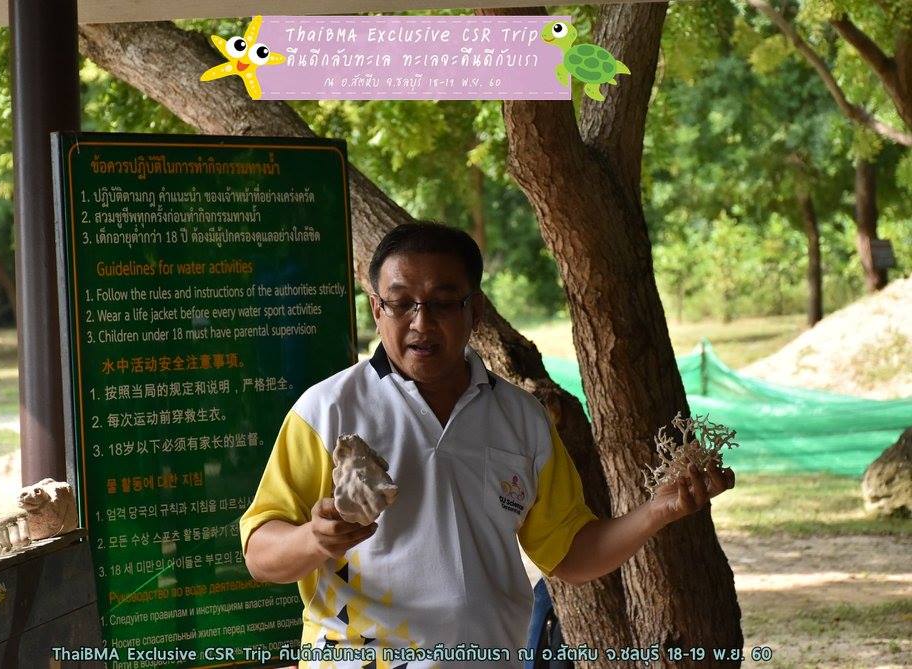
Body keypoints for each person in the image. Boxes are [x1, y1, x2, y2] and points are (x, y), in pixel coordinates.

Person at [240, 222, 735, 668]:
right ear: (376, 309)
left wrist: (658, 511)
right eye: (401, 303)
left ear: (474, 309)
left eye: (441, 302)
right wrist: (315, 538)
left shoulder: (521, 419)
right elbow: (260, 553)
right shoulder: (327, 410)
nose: (420, 322)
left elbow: (570, 554)